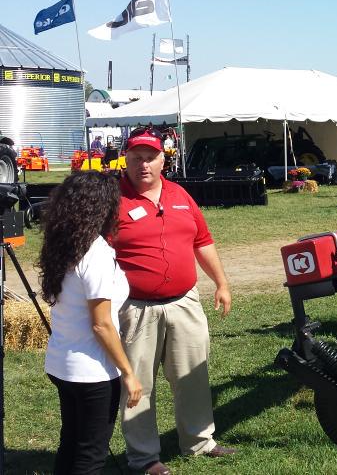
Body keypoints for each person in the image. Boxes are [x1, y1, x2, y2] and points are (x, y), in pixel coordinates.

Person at [114, 127, 236, 475]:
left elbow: (203, 240)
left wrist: (222, 283)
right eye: (136, 158)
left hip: (184, 303)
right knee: (138, 384)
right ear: (126, 159)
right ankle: (143, 457)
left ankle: (199, 441)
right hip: (136, 310)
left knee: (193, 376)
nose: (143, 165)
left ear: (163, 160)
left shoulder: (180, 194)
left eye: (150, 157)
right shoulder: (113, 199)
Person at [40, 172, 144, 475]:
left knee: (71, 442)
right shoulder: (95, 252)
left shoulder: (62, 243)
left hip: (62, 363)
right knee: (90, 455)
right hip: (91, 372)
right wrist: (128, 373)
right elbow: (101, 325)